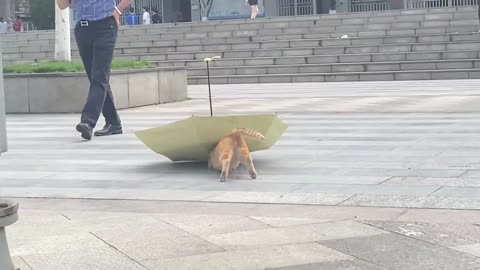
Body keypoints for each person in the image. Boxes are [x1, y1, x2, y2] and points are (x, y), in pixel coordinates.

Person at [56, 0, 133, 140]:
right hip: (82, 29)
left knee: (99, 76)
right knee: (96, 77)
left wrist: (118, 10)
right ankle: (113, 122)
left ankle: (88, 121)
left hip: (105, 26)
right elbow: (62, 5)